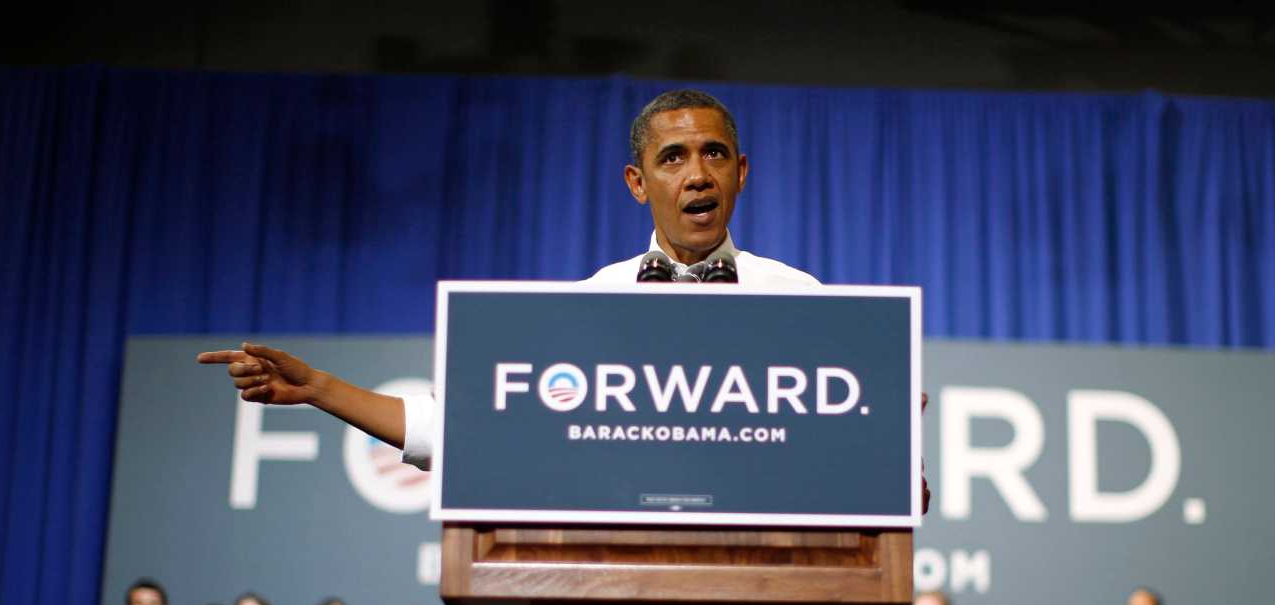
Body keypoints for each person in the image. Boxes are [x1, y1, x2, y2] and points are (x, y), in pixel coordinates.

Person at [196, 89, 819, 476]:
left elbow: (843, 448)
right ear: (637, 183)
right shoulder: (590, 304)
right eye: (673, 158)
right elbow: (466, 429)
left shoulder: (800, 299)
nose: (698, 174)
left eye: (714, 154)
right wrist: (319, 388)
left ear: (740, 172)